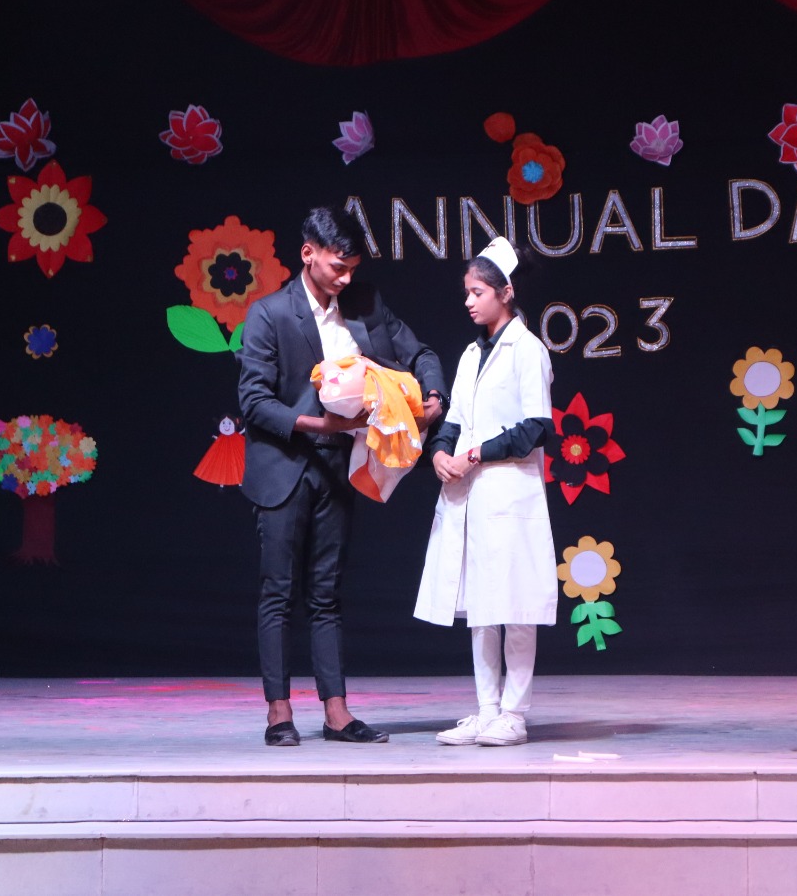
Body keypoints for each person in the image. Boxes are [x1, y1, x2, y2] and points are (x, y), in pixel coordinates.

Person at [237, 205, 447, 747]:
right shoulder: (269, 314)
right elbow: (254, 402)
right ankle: (278, 713)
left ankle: (337, 712)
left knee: (327, 594)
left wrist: (433, 396)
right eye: (338, 267)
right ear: (308, 254)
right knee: (278, 593)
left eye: (353, 268)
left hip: (338, 468)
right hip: (284, 467)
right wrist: (320, 424)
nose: (346, 278)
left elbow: (420, 352)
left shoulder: (364, 305)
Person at [414, 237, 557, 747]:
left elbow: (535, 428)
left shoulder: (528, 350)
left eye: (477, 292)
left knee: (514, 609)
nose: (469, 301)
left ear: (505, 293)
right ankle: (486, 709)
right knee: (481, 609)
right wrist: (439, 453)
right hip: (471, 497)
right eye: (467, 292)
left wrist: (474, 455)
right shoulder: (471, 355)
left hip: (510, 492)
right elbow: (453, 420)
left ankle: (513, 714)